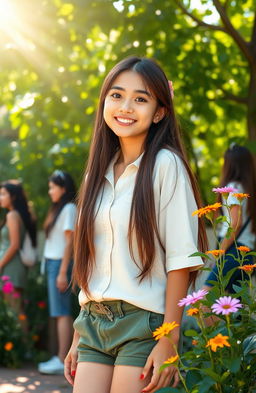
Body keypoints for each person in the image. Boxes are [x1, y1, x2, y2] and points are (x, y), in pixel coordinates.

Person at [64, 56, 207, 393]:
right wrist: (77, 335)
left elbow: (180, 261)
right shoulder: (96, 173)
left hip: (143, 324)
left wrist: (170, 340)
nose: (125, 106)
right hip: (94, 322)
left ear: (159, 112)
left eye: (140, 99)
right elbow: (93, 258)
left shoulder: (165, 165)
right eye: (116, 95)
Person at [38, 170, 77, 375]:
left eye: (53, 187)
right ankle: (61, 357)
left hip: (60, 265)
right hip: (54, 264)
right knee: (59, 313)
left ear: (63, 188)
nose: (50, 191)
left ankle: (62, 358)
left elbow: (70, 241)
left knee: (61, 313)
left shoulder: (69, 208)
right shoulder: (60, 209)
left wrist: (62, 272)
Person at [204, 144, 256, 293]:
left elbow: (235, 224)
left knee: (206, 297)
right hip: (247, 251)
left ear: (230, 165)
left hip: (232, 249)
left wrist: (220, 252)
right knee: (238, 305)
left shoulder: (232, 188)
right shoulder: (250, 189)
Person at [0, 181, 37, 319]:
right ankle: (24, 340)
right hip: (12, 266)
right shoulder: (15, 215)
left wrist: (0, 265)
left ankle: (24, 340)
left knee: (15, 312)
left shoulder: (12, 215)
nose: (0, 197)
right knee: (16, 310)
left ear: (13, 197)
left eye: (3, 194)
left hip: (10, 267)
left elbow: (14, 245)